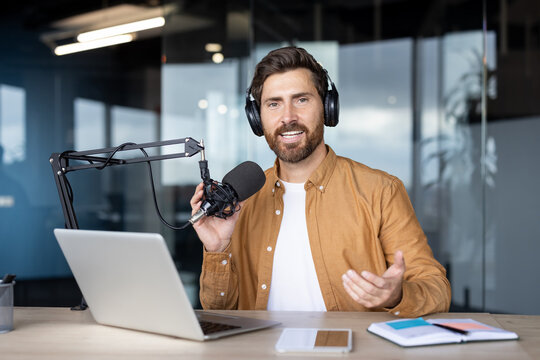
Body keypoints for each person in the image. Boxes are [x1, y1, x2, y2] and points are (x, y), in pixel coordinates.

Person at [190, 46, 451, 317]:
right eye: (274, 104)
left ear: (327, 107)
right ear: (257, 118)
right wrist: (217, 250)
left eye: (301, 100)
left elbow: (436, 288)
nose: (288, 116)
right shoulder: (241, 200)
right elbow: (218, 312)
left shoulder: (381, 191)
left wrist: (397, 295)